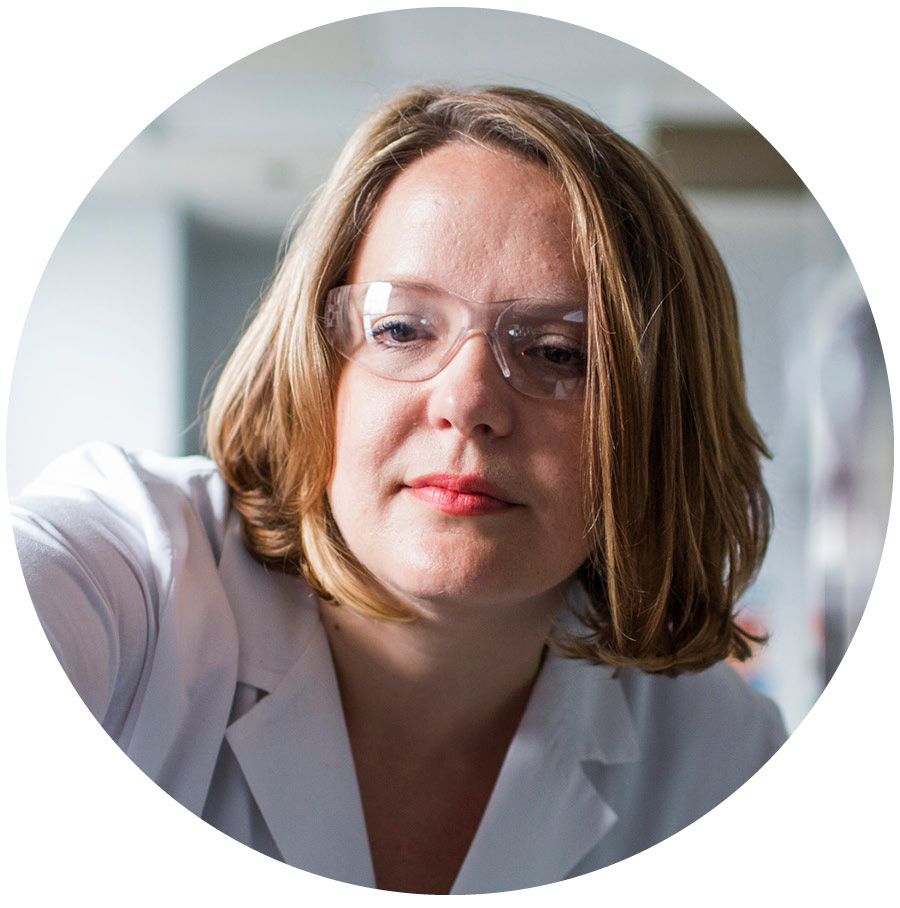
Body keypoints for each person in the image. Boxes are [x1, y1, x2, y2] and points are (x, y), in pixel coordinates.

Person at [12, 85, 786, 895]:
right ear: (321, 367)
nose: (468, 402)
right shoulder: (127, 571)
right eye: (403, 330)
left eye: (559, 352)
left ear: (663, 427)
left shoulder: (723, 757)